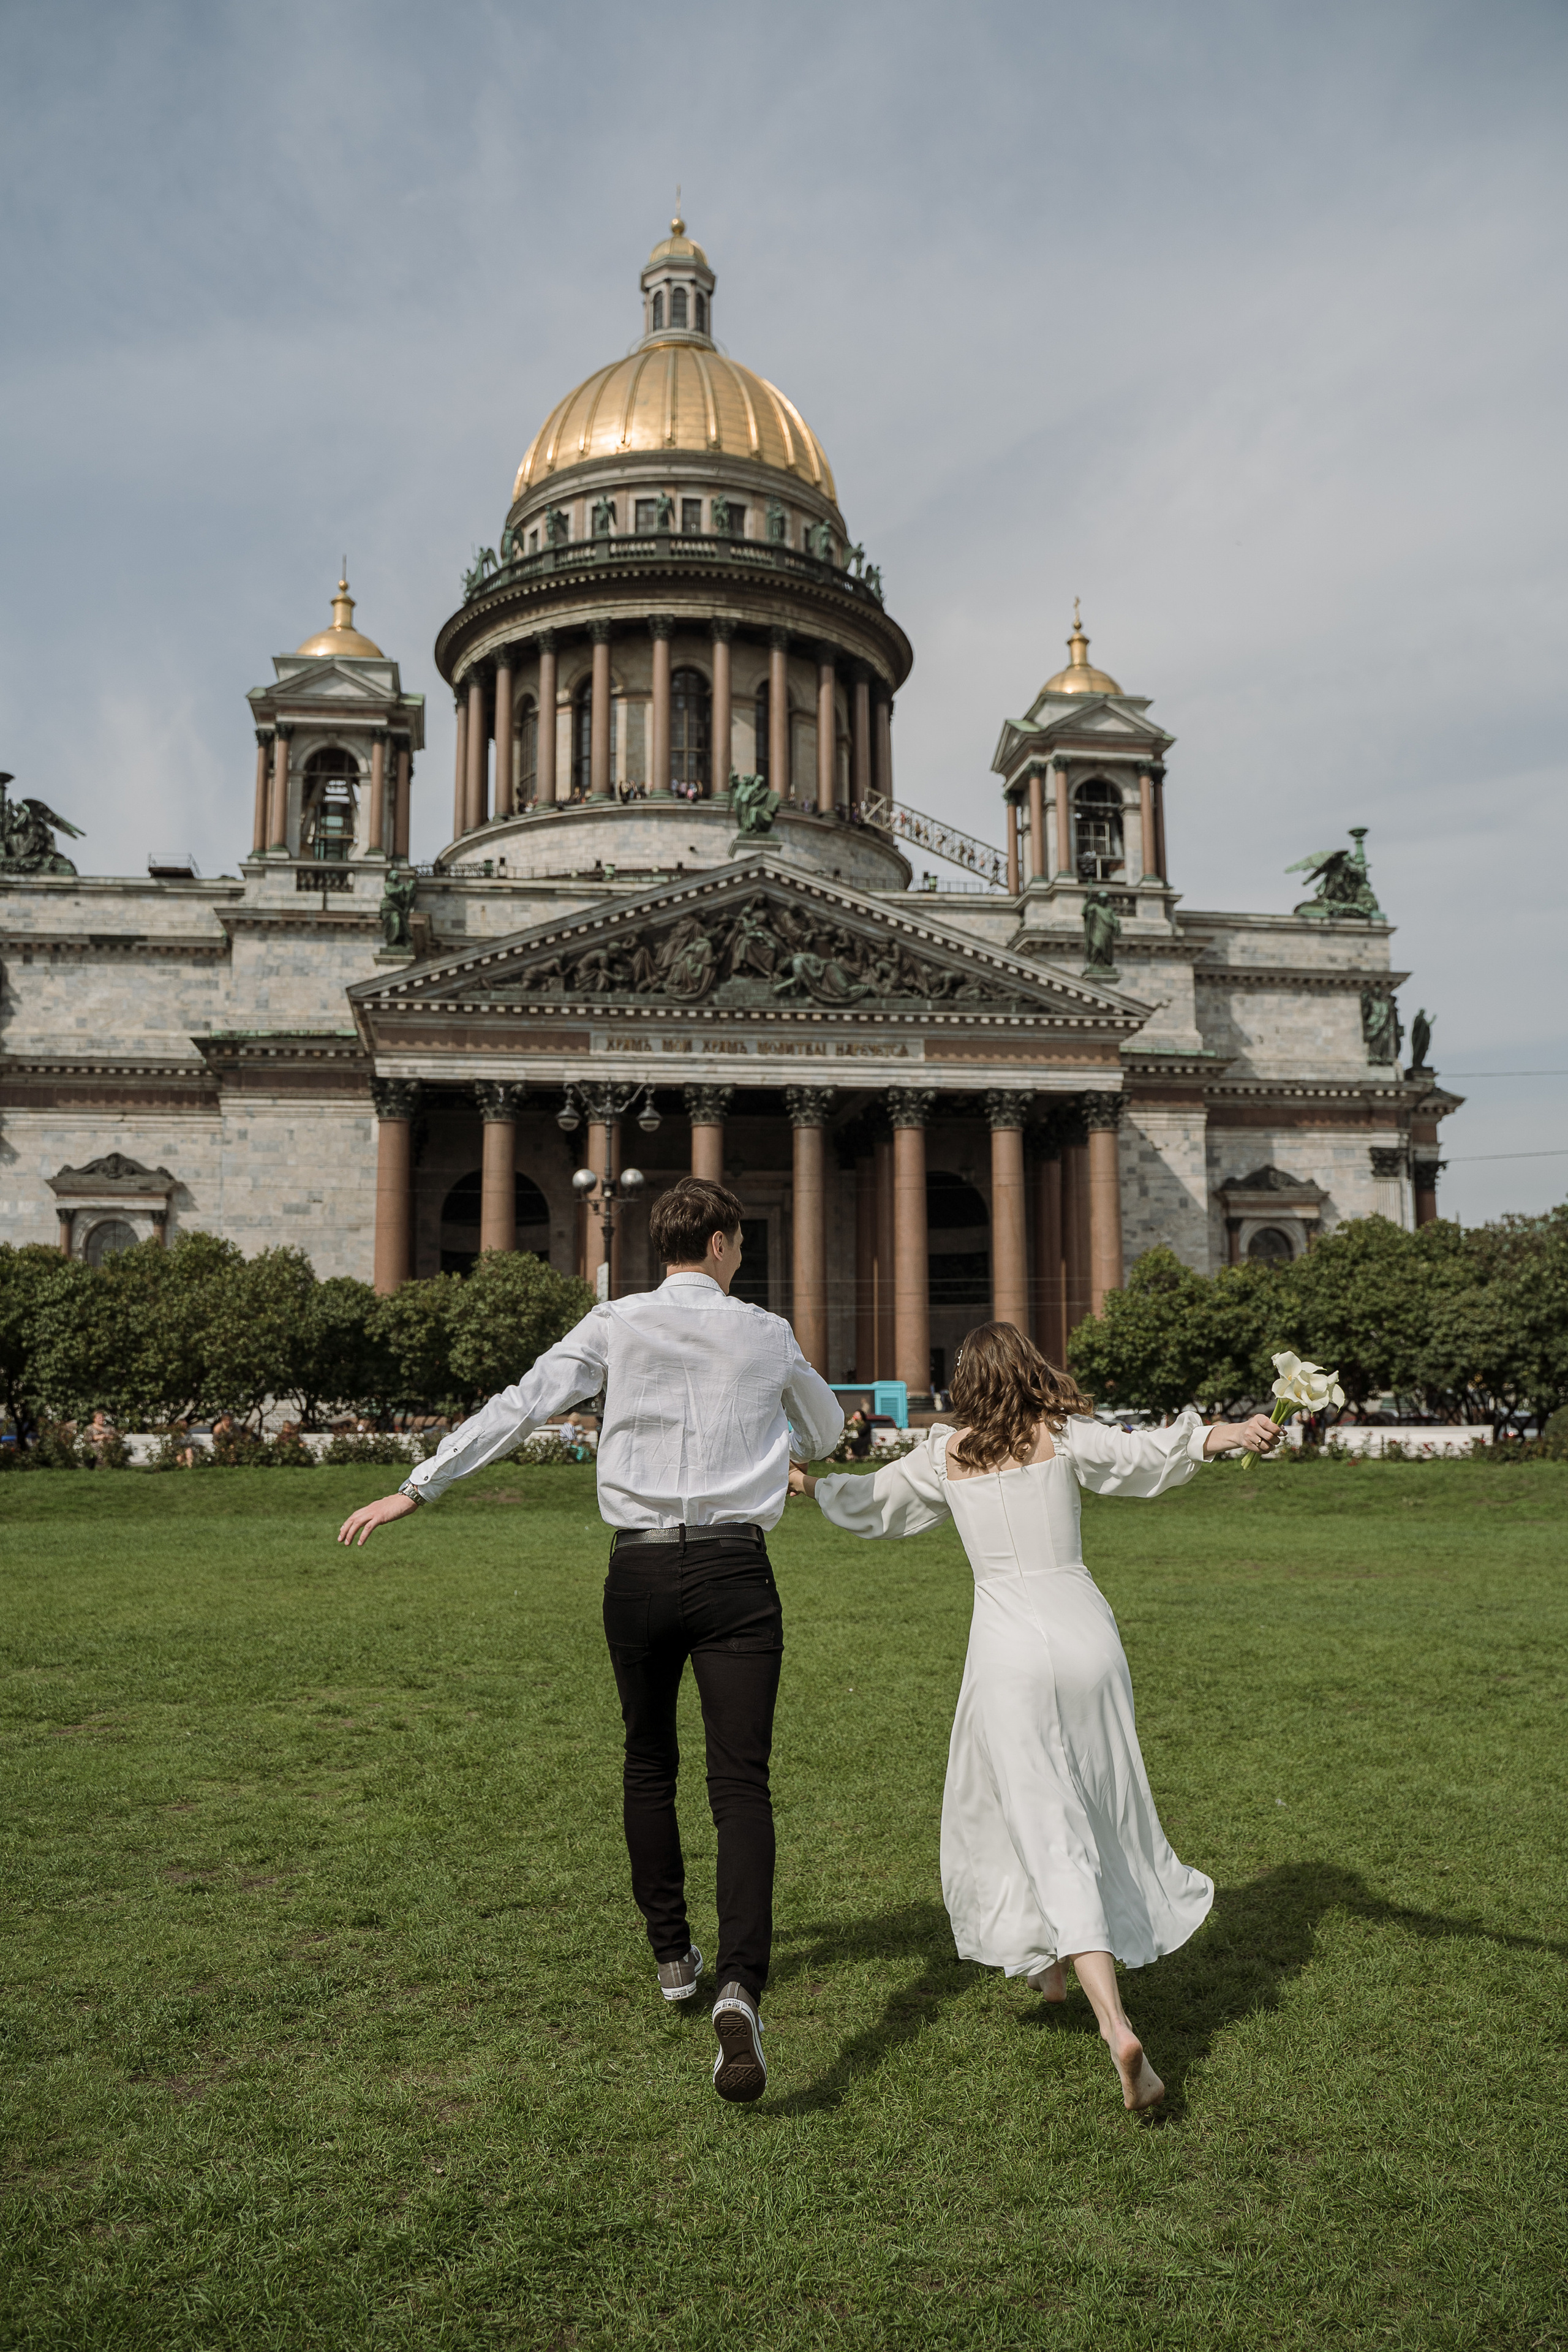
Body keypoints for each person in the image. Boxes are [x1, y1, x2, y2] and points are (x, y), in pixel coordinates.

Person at [337, 1176, 843, 2104]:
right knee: (740, 1784)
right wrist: (787, 1444)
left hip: (640, 1570)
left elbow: (521, 1405)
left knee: (647, 1763)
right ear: (727, 1242)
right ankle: (740, 1981)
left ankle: (672, 1960)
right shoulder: (766, 1332)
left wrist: (419, 1486)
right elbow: (828, 1426)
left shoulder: (615, 1322)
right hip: (737, 1570)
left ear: (663, 1247)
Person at [789, 1321, 1281, 2113]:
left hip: (1009, 1649)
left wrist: (809, 1485)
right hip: (1088, 1638)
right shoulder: (1064, 1436)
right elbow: (1149, 1454)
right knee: (1080, 1806)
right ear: (1030, 1372)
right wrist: (1227, 1433)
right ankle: (1049, 1968)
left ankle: (1113, 2022)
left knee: (1043, 1823)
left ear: (968, 1386)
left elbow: (873, 1503)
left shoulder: (946, 1455)